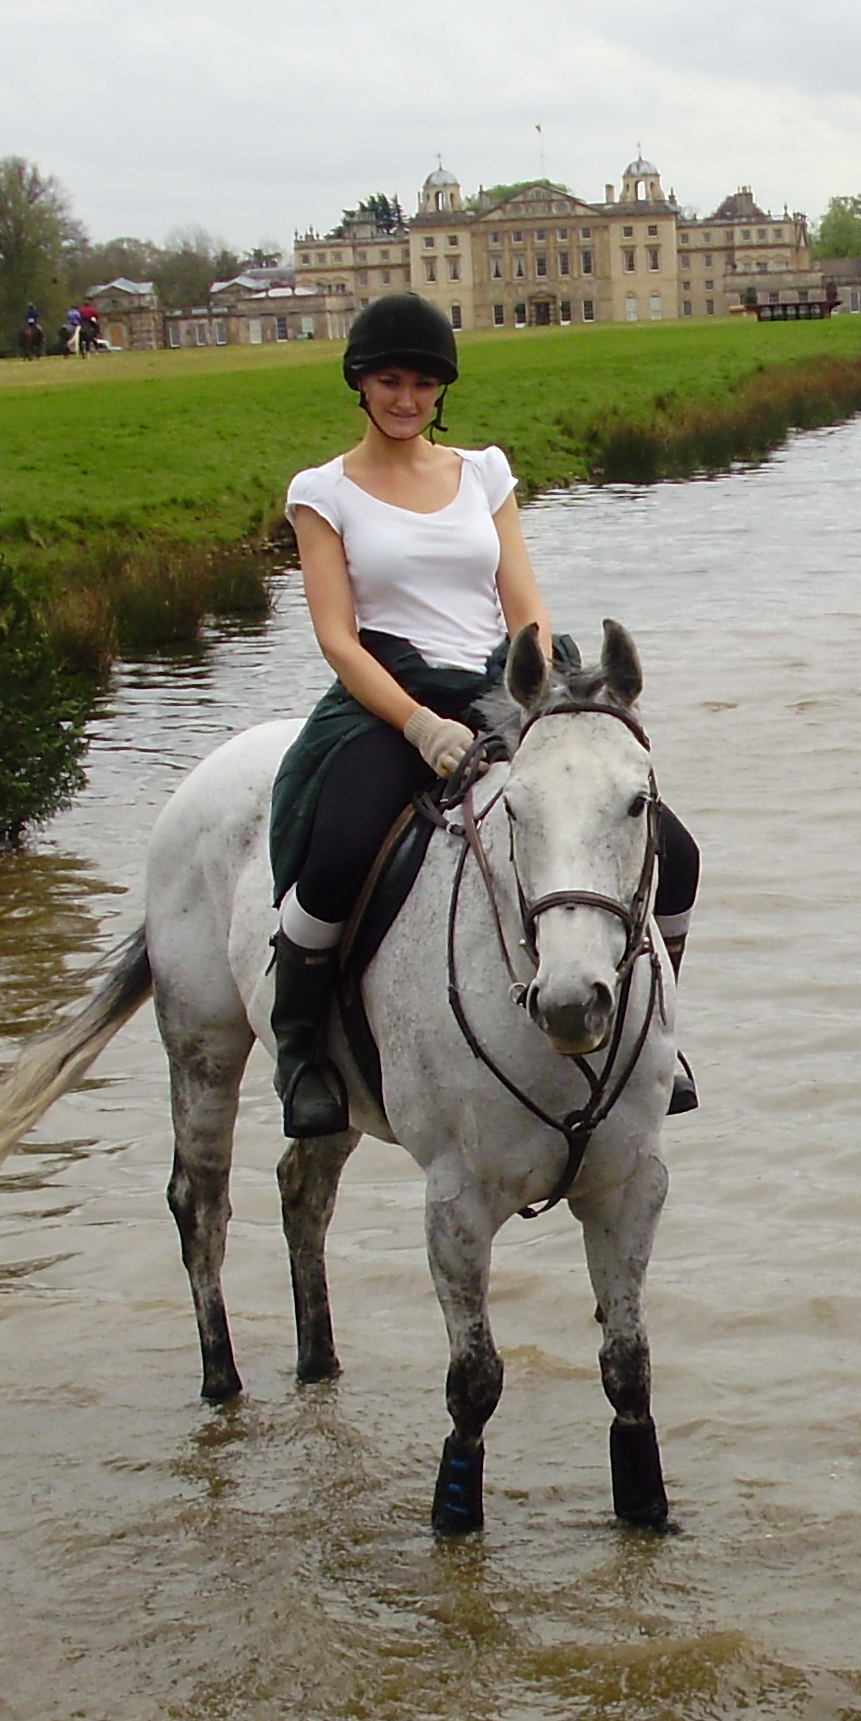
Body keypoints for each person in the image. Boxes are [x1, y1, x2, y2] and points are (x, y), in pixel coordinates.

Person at [265, 292, 701, 1137]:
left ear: (442, 391)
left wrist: (534, 693)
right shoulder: (323, 493)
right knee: (338, 855)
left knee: (673, 852)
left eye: (423, 384)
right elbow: (338, 639)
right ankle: (302, 1054)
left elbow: (523, 600)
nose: (407, 399)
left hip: (504, 689)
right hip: (392, 697)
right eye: (390, 382)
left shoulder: (483, 473)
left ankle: (654, 1033)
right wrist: (418, 726)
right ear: (360, 383)